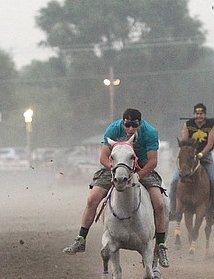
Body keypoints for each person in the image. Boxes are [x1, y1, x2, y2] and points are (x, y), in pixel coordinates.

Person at [62, 107, 170, 267]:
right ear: (123, 122)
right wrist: (114, 170)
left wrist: (138, 176)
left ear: (140, 123)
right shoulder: (113, 129)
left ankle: (160, 245)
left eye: (134, 125)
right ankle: (81, 239)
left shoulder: (150, 132)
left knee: (160, 204)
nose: (130, 129)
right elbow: (103, 157)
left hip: (141, 168)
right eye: (127, 125)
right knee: (92, 199)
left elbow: (153, 161)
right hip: (117, 167)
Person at [167, 104, 214, 224]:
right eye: (197, 114)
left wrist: (201, 154)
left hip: (205, 155)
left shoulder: (211, 124)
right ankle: (172, 210)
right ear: (194, 115)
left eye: (201, 114)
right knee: (174, 181)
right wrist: (185, 148)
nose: (199, 116)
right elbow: (185, 139)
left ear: (205, 115)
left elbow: (210, 143)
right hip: (189, 156)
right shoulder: (188, 124)